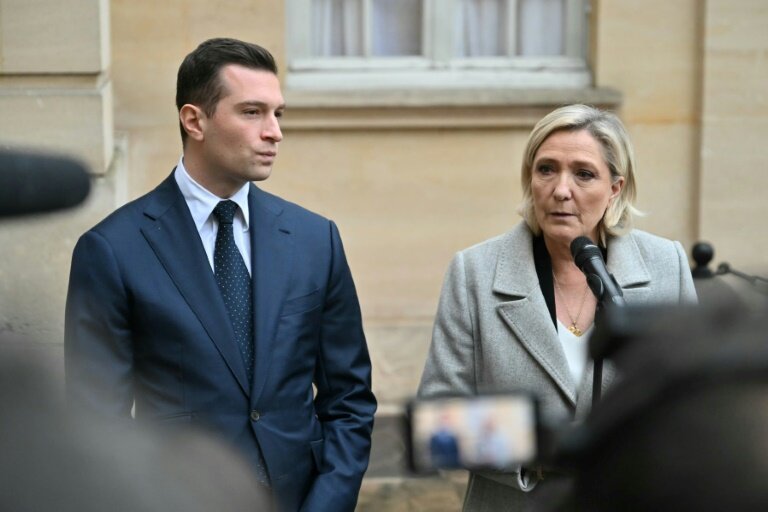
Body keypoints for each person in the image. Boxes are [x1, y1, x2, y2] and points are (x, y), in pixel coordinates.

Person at [65, 37, 376, 512]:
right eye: (252, 112)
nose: (274, 132)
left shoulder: (316, 239)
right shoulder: (112, 249)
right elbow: (97, 427)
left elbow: (349, 401)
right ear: (195, 121)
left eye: (278, 114)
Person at [418, 104, 697, 511]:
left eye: (583, 174)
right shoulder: (475, 271)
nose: (561, 190)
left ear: (615, 188)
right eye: (546, 169)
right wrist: (547, 448)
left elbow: (695, 403)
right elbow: (438, 422)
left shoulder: (665, 265)